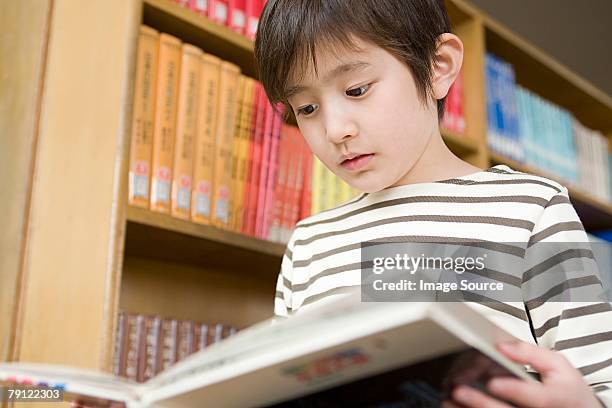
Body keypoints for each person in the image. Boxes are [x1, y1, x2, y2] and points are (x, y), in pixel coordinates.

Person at [253, 0, 612, 406]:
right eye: (307, 109)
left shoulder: (531, 207)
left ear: (438, 66)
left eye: (356, 89)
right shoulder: (309, 243)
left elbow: (600, 381)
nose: (335, 130)